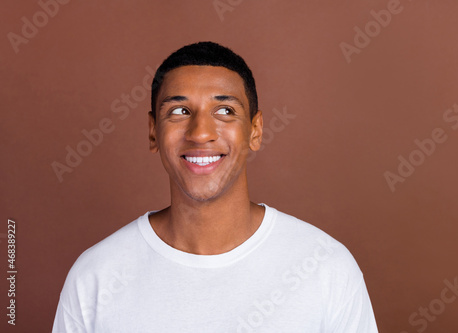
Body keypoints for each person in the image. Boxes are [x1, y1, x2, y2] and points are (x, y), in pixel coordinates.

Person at [52, 41, 378, 332]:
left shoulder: (325, 267)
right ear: (153, 131)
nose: (201, 132)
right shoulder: (95, 278)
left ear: (255, 130)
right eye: (180, 111)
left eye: (225, 111)